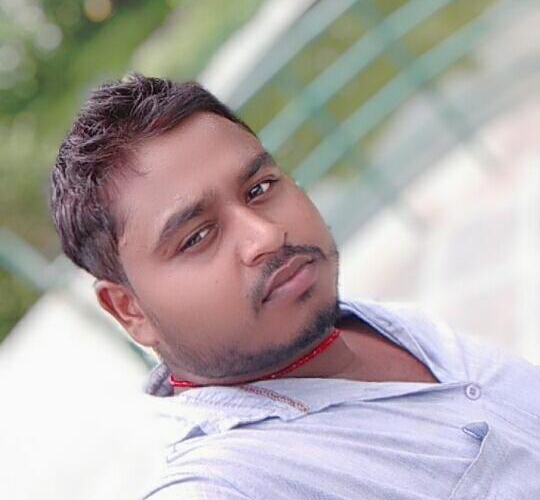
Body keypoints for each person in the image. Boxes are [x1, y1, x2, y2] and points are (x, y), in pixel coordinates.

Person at [50, 73, 540, 499]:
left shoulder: (374, 325)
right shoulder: (233, 482)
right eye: (197, 237)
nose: (266, 236)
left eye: (259, 189)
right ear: (129, 309)